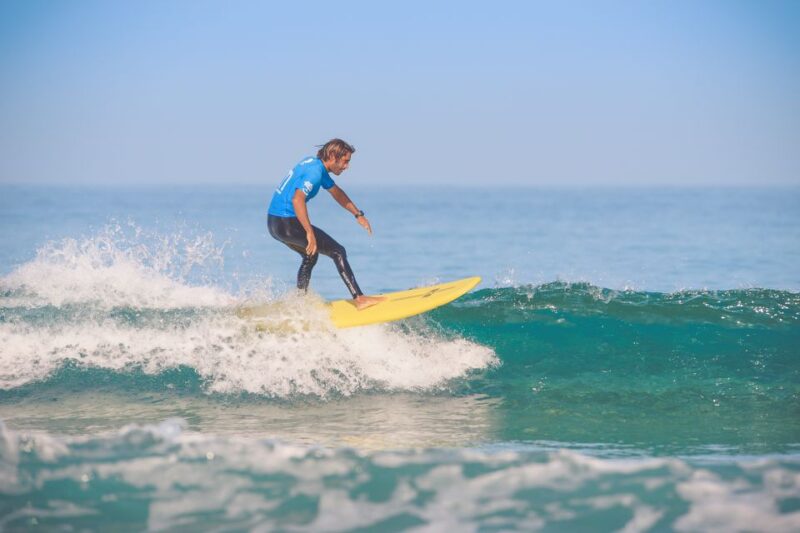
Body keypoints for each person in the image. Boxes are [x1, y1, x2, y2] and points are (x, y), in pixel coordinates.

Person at [267, 139, 385, 310]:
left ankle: (299, 303)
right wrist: (309, 233)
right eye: (345, 161)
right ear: (332, 156)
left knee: (311, 255)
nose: (347, 166)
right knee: (338, 251)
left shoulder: (314, 165)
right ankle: (359, 298)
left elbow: (337, 193)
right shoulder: (315, 173)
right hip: (287, 222)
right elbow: (297, 199)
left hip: (274, 224)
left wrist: (358, 214)